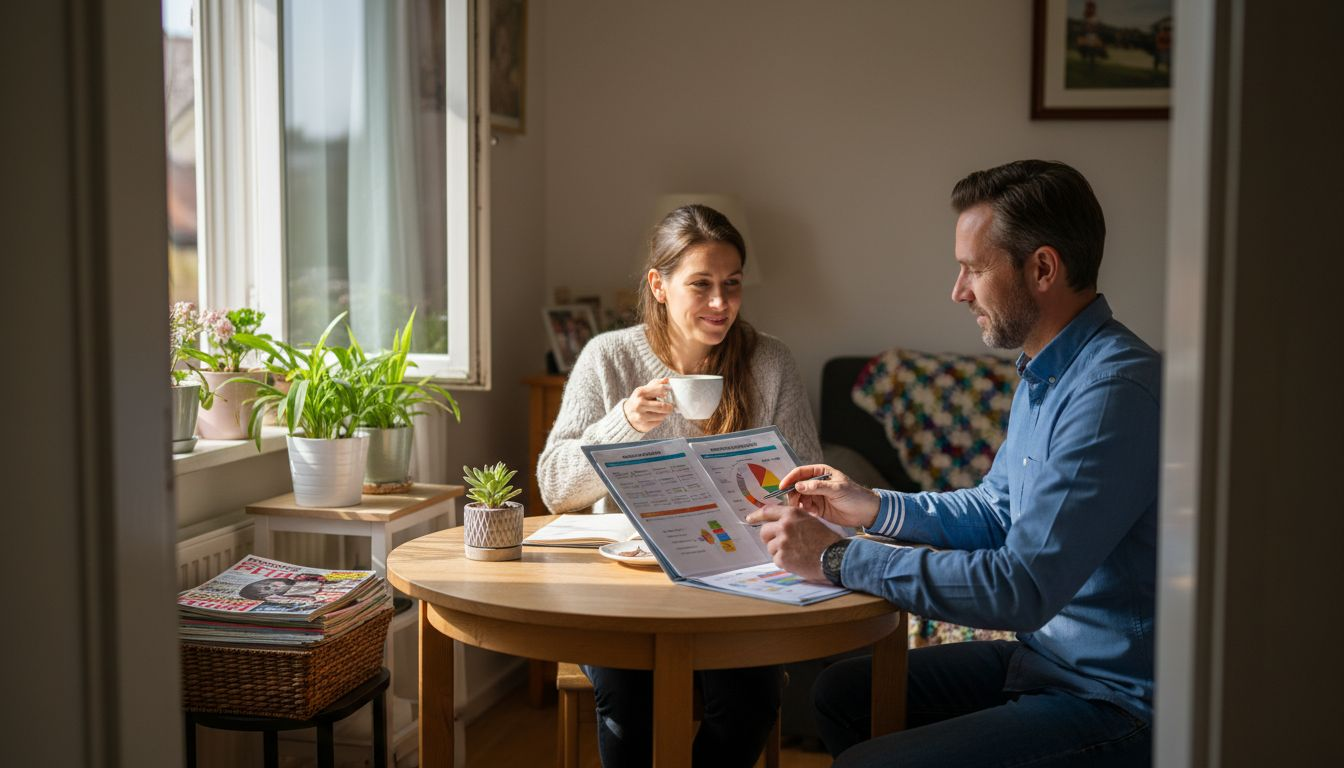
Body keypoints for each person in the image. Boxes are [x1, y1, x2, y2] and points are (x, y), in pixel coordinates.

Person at [749, 160, 1159, 767]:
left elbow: (1020, 588)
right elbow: (997, 509)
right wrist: (874, 506)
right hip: (1045, 659)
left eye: (973, 268)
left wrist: (837, 557)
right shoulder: (1048, 369)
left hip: (1111, 700)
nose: (958, 290)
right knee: (842, 694)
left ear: (1043, 268)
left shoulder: (1111, 393)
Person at [537, 203, 821, 767]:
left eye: (732, 285)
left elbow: (806, 482)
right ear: (659, 285)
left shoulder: (770, 362)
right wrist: (625, 423)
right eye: (702, 285)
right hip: (625, 581)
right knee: (628, 696)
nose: (721, 304)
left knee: (751, 699)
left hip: (736, 576)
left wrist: (776, 488)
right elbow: (554, 489)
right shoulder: (608, 358)